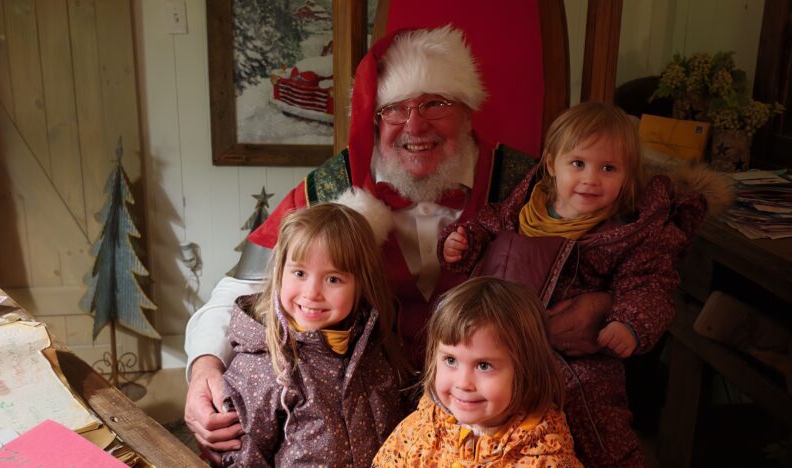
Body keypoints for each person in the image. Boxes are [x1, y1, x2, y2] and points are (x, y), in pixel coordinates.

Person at [184, 25, 613, 462]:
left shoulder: (531, 186)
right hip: (353, 427)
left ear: (467, 111)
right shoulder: (330, 189)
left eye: (435, 103)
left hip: (493, 425)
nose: (415, 125)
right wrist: (204, 368)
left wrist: (607, 305)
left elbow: (626, 257)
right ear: (375, 118)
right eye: (394, 109)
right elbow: (237, 293)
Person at [440, 101, 731, 466]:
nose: (591, 179)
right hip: (501, 333)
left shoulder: (628, 231)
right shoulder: (523, 208)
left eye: (608, 168)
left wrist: (630, 323)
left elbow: (649, 282)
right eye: (578, 163)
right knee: (454, 391)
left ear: (627, 177)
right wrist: (462, 244)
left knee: (595, 414)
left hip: (574, 352)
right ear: (551, 164)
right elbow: (485, 229)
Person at [219, 204, 411, 466]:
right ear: (280, 272)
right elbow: (245, 457)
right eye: (299, 273)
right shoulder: (263, 367)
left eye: (333, 279)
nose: (312, 293)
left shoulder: (377, 347)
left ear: (361, 283)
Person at [373, 277, 582, 466]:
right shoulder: (425, 425)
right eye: (451, 360)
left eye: (484, 366)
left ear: (527, 371)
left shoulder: (544, 453)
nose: (463, 383)